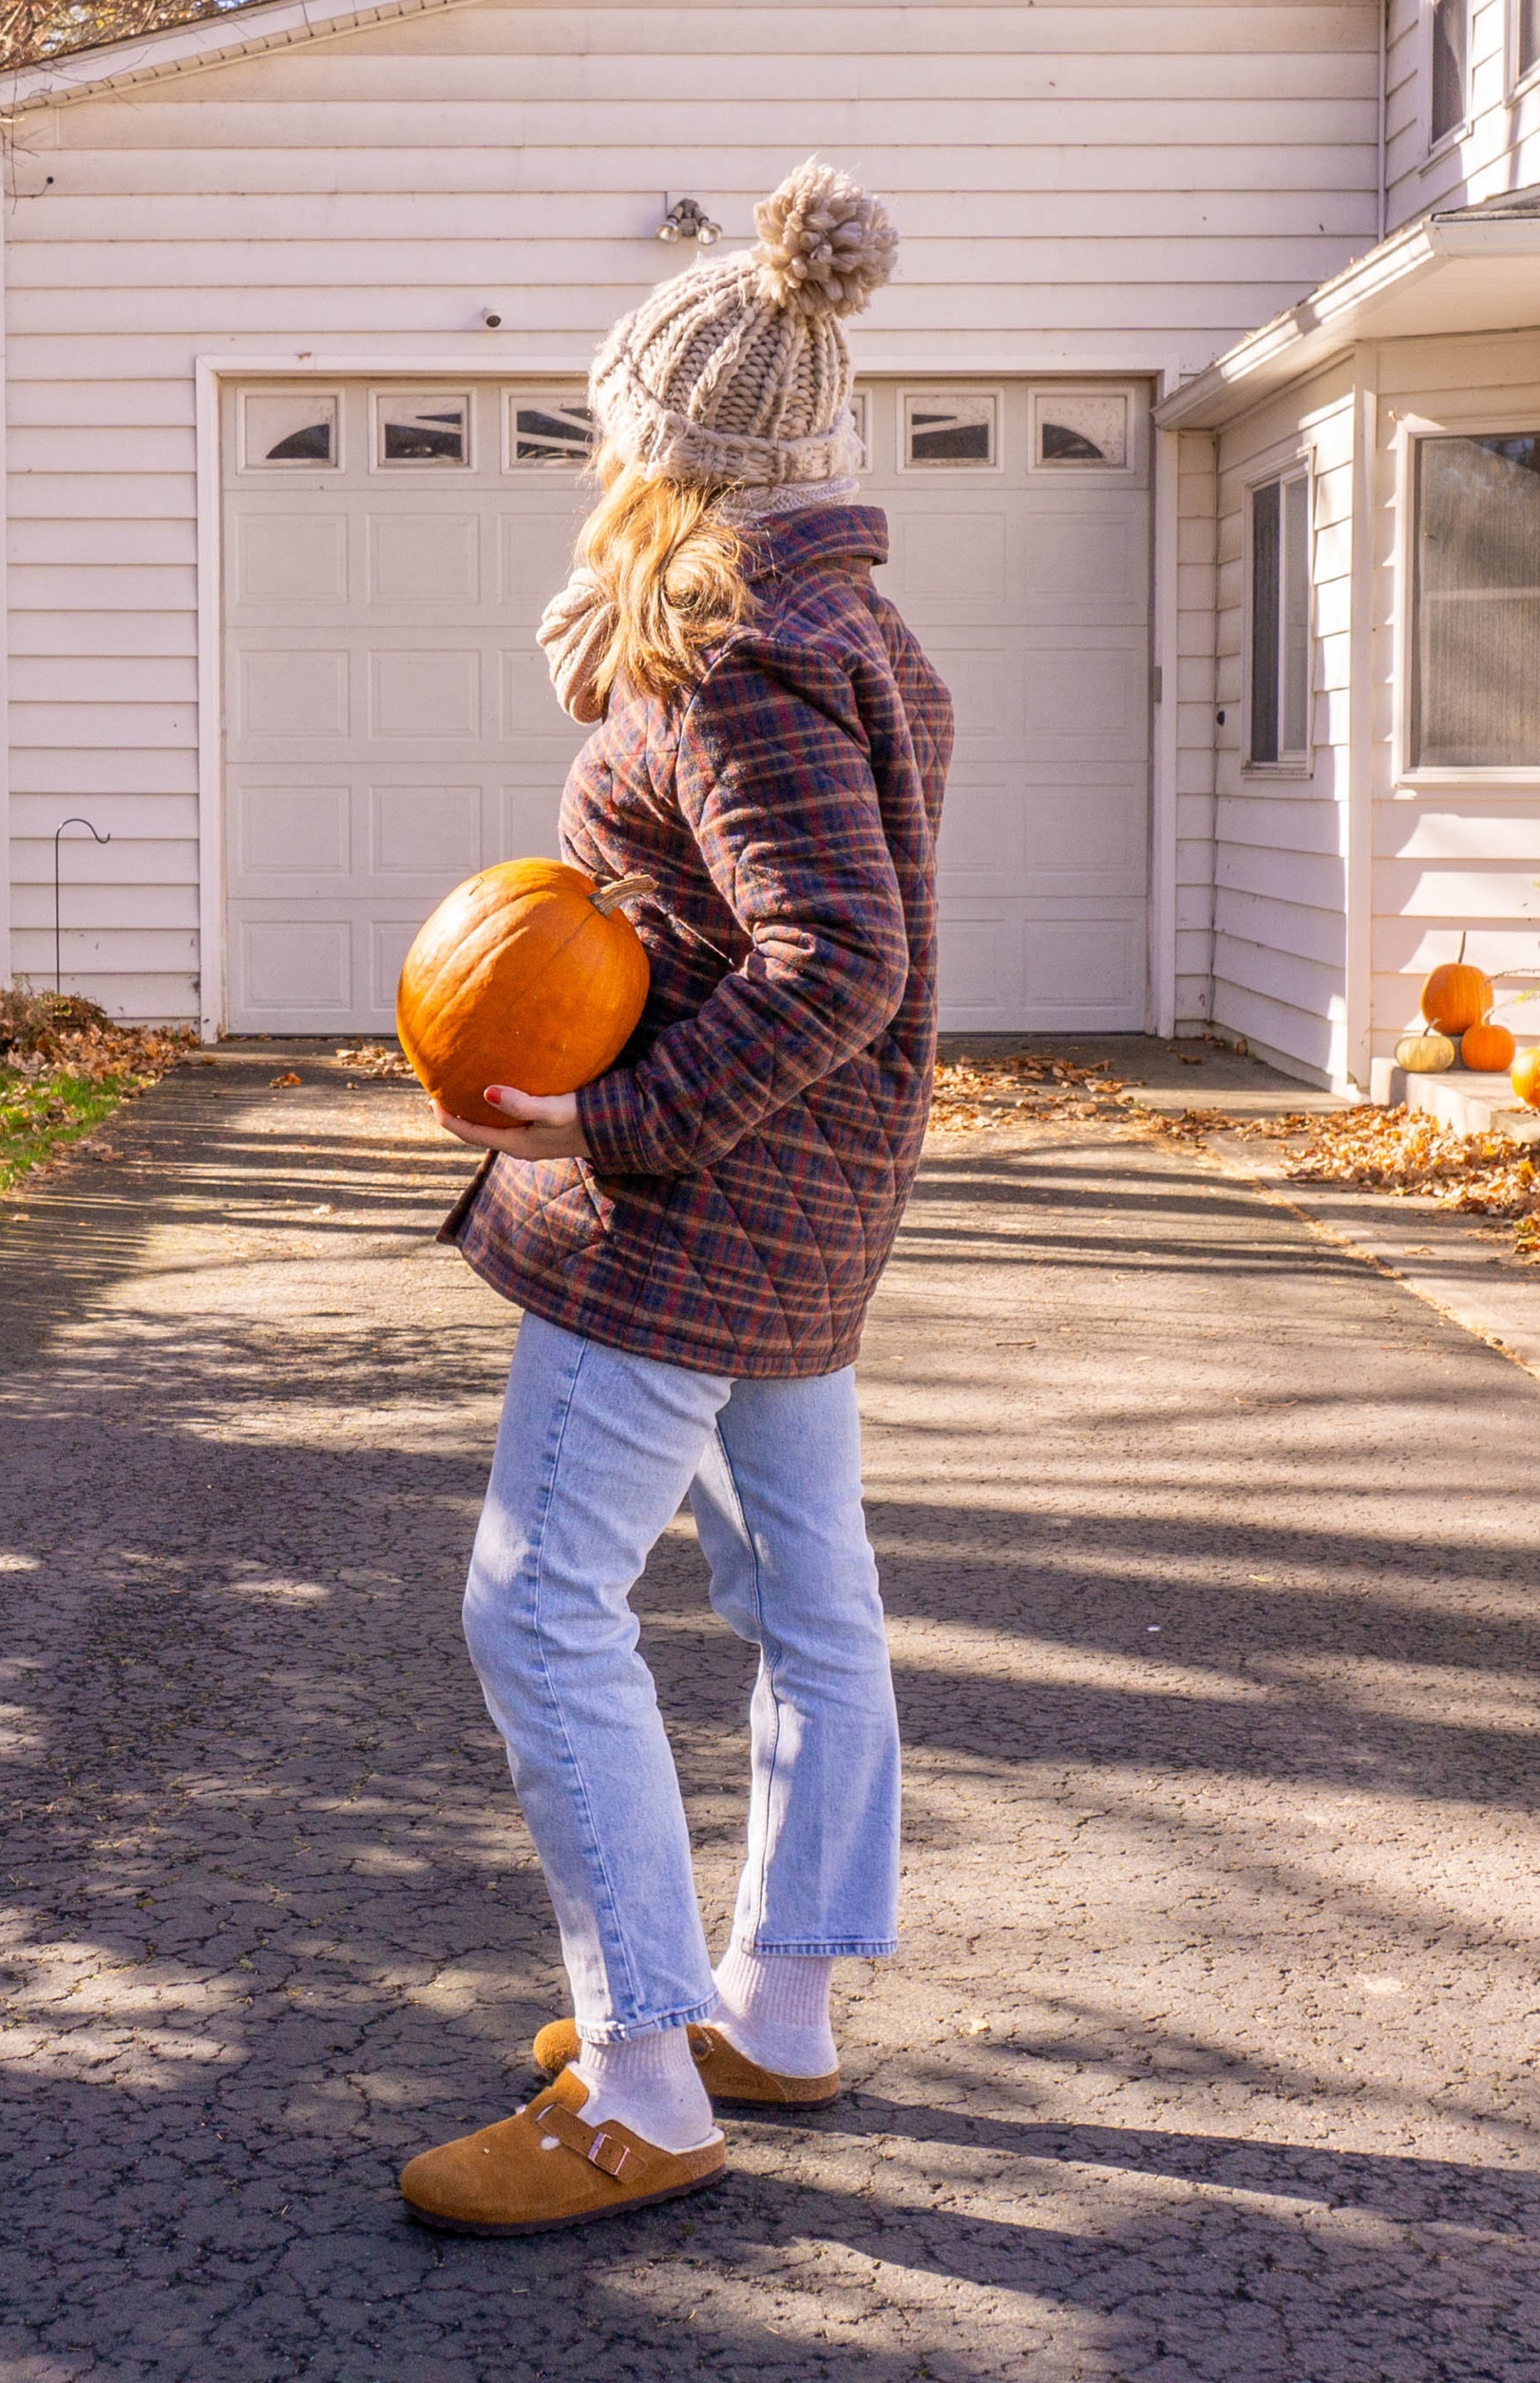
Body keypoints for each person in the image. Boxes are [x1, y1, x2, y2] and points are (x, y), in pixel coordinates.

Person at [397, 161, 952, 2236]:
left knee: (538, 1606)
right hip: (804, 1199)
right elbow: (796, 933)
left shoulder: (734, 652)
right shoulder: (847, 622)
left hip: (700, 1208)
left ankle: (640, 2078)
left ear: (668, 442)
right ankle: (772, 2018)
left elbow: (837, 956)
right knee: (807, 1601)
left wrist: (609, 1121)